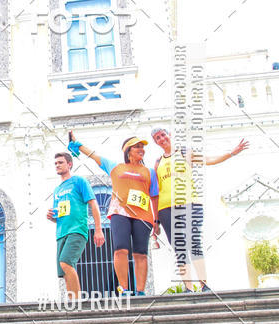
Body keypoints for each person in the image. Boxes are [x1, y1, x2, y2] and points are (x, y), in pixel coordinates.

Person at [151, 126, 249, 292]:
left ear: (169, 134)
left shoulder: (185, 152)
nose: (162, 139)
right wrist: (156, 220)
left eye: (163, 135)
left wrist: (231, 153)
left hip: (189, 203)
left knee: (194, 243)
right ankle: (188, 287)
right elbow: (155, 191)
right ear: (156, 142)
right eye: (157, 138)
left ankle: (204, 284)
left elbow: (209, 159)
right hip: (166, 208)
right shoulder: (157, 162)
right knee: (179, 248)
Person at [68, 131, 159, 296]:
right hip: (120, 213)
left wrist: (157, 221)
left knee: (140, 253)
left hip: (143, 216)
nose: (141, 149)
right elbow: (94, 156)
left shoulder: (150, 172)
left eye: (142, 147)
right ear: (128, 151)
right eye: (137, 147)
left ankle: (140, 291)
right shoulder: (115, 167)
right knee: (120, 250)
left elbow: (154, 197)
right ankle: (124, 289)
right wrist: (77, 144)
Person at [47, 151, 105, 299]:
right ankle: (72, 302)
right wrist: (52, 218)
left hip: (77, 230)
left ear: (69, 164)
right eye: (55, 163)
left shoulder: (79, 181)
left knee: (66, 262)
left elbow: (93, 204)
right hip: (61, 233)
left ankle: (78, 302)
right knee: (64, 271)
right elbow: (61, 214)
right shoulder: (57, 190)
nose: (57, 165)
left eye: (60, 162)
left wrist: (98, 230)